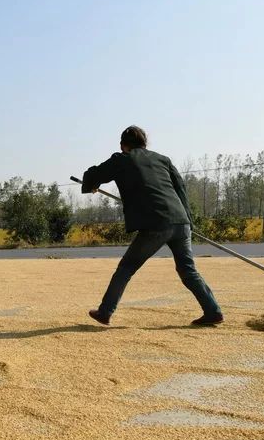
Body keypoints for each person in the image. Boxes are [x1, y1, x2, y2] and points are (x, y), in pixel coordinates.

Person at [80, 126, 223, 326]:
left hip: (156, 224)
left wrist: (91, 185)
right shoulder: (163, 160)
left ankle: (105, 312)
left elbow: (93, 173)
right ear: (145, 143)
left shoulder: (122, 159)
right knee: (188, 269)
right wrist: (188, 222)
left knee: (126, 268)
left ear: (123, 145)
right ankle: (212, 310)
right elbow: (180, 188)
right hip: (180, 221)